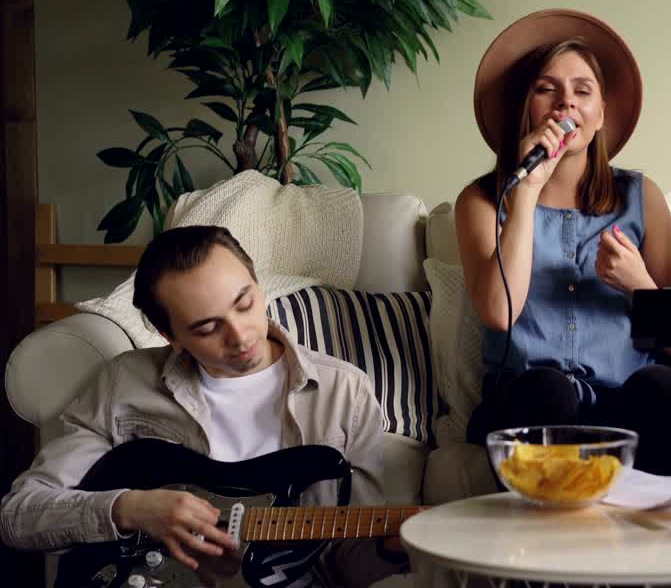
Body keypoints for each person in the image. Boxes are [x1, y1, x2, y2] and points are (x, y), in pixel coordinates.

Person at [0, 226, 407, 587]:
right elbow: (19, 516)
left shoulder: (345, 392)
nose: (240, 336)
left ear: (258, 285)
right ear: (171, 336)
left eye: (244, 303)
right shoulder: (124, 382)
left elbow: (345, 569)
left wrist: (390, 548)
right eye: (208, 327)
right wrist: (130, 508)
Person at [456, 9, 671, 476]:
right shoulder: (481, 201)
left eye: (583, 91)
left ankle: (656, 521)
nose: (566, 102)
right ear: (527, 107)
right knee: (548, 389)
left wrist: (639, 286)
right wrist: (526, 191)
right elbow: (499, 312)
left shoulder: (641, 197)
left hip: (622, 406)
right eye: (547, 89)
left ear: (601, 113)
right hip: (528, 401)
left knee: (663, 388)